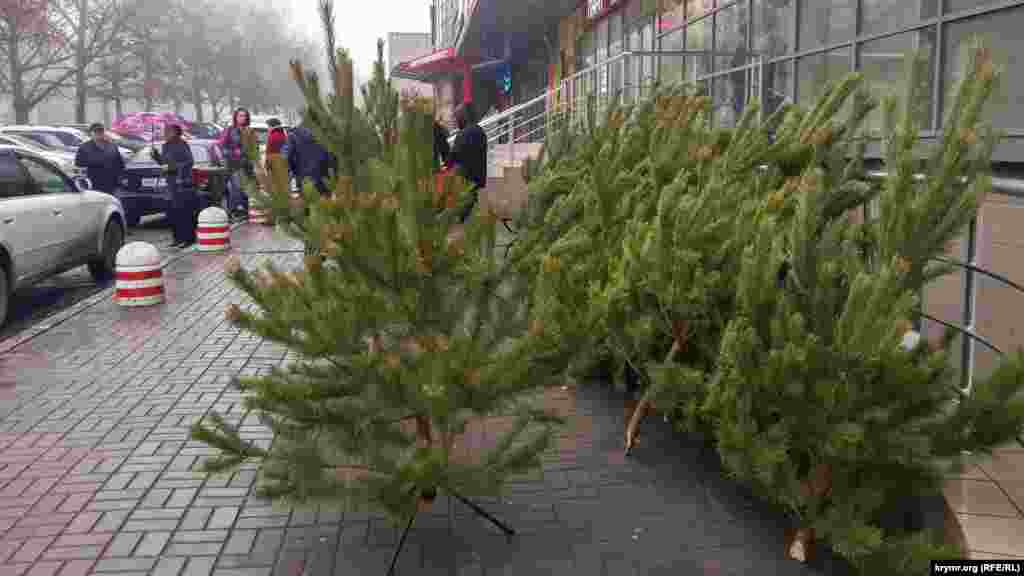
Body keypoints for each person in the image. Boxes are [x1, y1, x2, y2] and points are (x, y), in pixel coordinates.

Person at [151, 125, 196, 248]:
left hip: (181, 182)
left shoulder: (182, 144)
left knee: (183, 211)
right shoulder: (165, 146)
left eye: (168, 131)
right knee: (172, 212)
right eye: (165, 131)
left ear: (176, 133)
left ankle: (188, 239)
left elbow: (189, 162)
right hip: (170, 183)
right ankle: (177, 238)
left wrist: (172, 167)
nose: (165, 133)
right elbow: (163, 163)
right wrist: (156, 156)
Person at [445, 103, 488, 223]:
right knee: (471, 209)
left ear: (463, 117)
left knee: (462, 212)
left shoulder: (463, 134)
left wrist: (446, 165)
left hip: (464, 180)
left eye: (457, 117)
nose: (456, 121)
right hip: (478, 178)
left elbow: (453, 157)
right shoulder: (481, 132)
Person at [218, 108, 258, 220]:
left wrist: (252, 155)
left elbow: (255, 147)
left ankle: (244, 212)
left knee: (245, 190)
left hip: (247, 165)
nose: (242, 118)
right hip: (234, 164)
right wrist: (232, 153)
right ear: (235, 117)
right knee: (237, 188)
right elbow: (221, 146)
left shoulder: (250, 131)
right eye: (240, 115)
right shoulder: (230, 130)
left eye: (244, 116)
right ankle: (234, 211)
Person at [74, 123, 125, 195]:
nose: (99, 133)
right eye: (96, 131)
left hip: (112, 184)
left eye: (101, 131)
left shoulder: (112, 146)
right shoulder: (84, 147)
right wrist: (96, 162)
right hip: (94, 184)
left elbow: (119, 164)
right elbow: (78, 164)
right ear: (91, 133)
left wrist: (120, 180)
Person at [287, 122, 332, 197]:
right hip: (318, 160)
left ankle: (325, 197)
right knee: (320, 182)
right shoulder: (310, 133)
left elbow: (290, 154)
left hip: (304, 165)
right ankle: (328, 196)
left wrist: (291, 167)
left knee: (308, 184)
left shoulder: (291, 136)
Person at [264, 118, 290, 199]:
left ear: (272, 126)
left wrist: (267, 164)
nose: (268, 128)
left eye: (268, 126)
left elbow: (270, 151)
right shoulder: (282, 134)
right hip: (281, 163)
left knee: (277, 186)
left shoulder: (274, 135)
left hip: (275, 164)